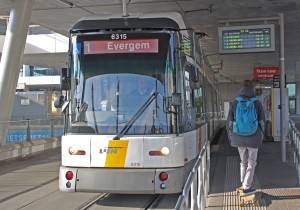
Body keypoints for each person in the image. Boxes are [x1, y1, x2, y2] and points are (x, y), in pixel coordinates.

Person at [226, 80, 265, 195]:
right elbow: (262, 121)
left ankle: (243, 183)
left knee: (243, 161)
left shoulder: (235, 102)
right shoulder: (256, 103)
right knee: (251, 162)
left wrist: (231, 136)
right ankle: (246, 187)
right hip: (254, 137)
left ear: (242, 88)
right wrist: (262, 136)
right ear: (253, 89)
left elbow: (229, 121)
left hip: (238, 137)